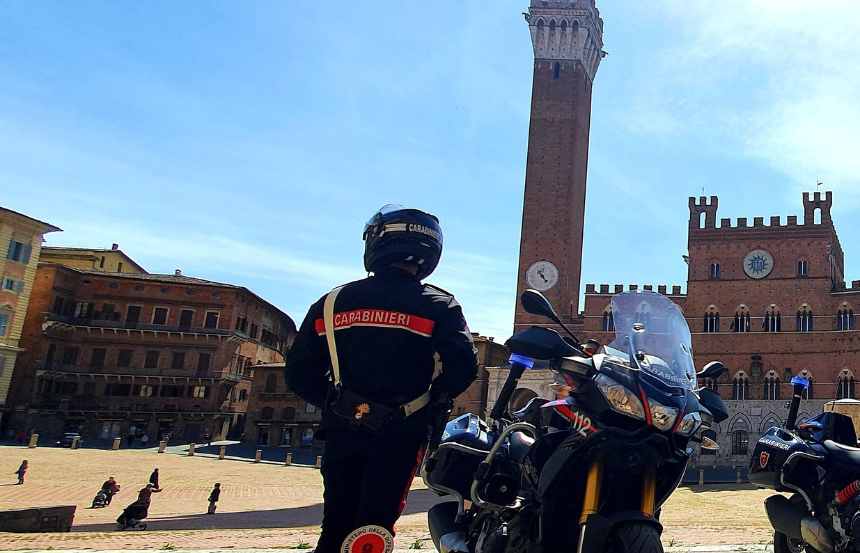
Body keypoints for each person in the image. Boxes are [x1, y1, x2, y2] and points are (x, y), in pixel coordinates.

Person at [287, 205, 479, 553]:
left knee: (335, 524)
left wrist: (336, 402)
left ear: (377, 241)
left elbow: (299, 371)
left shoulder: (331, 303)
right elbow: (464, 364)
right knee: (374, 529)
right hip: (401, 433)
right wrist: (436, 398)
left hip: (343, 430)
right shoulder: (438, 304)